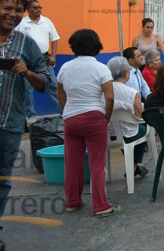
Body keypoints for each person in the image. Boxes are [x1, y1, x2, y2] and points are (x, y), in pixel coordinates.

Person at [0, 0, 51, 248]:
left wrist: (26, 71)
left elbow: (44, 83)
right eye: (7, 8)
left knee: (2, 180)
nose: (13, 14)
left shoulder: (26, 43)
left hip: (9, 124)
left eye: (18, 11)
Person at [57, 29, 122, 217]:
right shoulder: (102, 68)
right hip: (94, 118)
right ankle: (101, 205)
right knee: (96, 163)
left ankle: (72, 202)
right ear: (97, 45)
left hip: (71, 119)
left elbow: (61, 94)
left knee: (72, 163)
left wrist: (67, 111)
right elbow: (109, 98)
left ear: (74, 46)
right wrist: (105, 118)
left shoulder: (65, 67)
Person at [15, 0, 62, 117]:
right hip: (27, 61)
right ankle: (30, 117)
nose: (38, 10)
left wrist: (53, 56)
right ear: (28, 9)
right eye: (35, 8)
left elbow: (55, 39)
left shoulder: (46, 21)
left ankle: (64, 114)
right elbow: (15, 39)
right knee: (27, 89)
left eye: (39, 8)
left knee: (53, 86)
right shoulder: (22, 23)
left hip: (45, 59)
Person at [106, 56, 149, 178]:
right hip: (128, 135)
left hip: (107, 135)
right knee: (142, 128)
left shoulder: (102, 91)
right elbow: (141, 117)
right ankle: (136, 165)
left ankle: (135, 166)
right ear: (126, 72)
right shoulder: (131, 92)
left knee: (123, 130)